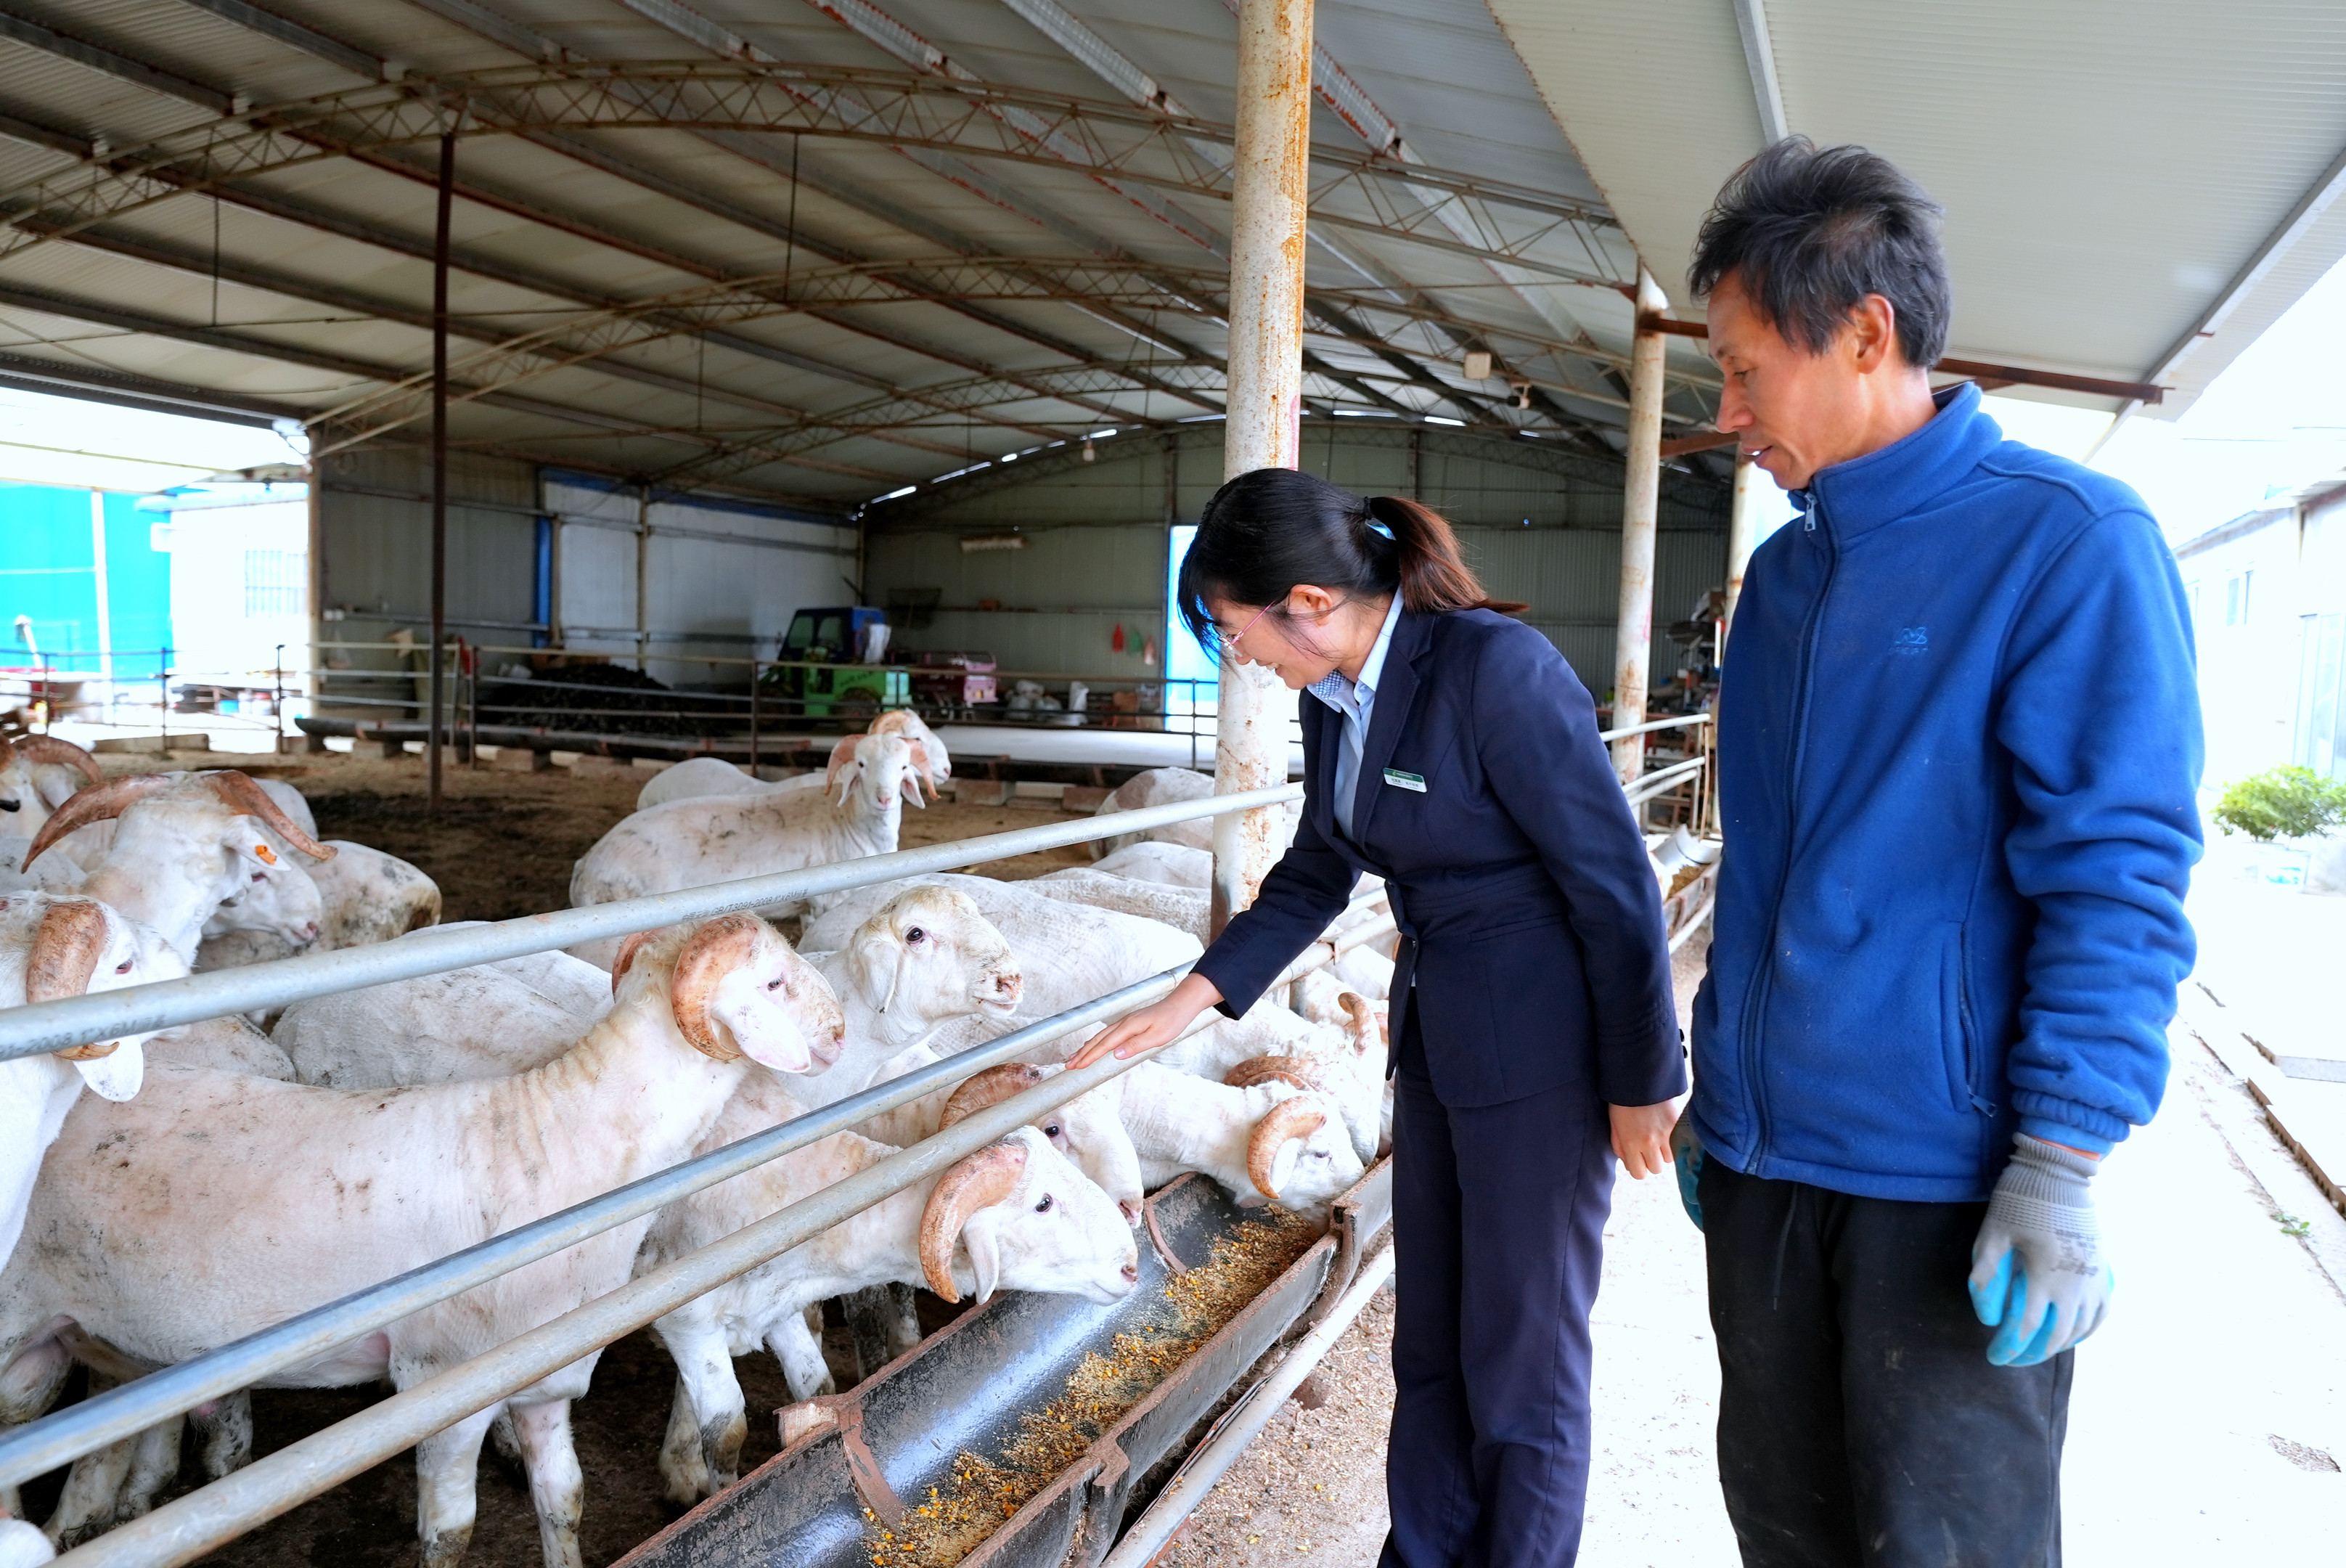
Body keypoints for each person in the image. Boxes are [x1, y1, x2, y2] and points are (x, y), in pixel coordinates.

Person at [1676, 138, 2203, 1566]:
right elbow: (1768, 864)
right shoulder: (1782, 578)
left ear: (1863, 334)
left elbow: (2118, 874)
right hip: (1766, 1174)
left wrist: (2058, 1161)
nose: (1725, 414)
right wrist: (1720, 1088)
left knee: (1943, 1549)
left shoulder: (2066, 545)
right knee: (1784, 1532)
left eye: (1742, 372)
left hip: (1942, 1183)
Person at [1070, 470, 1684, 1568]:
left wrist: (1645, 1075)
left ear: (1305, 600)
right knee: (1435, 1342)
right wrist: (1185, 1004)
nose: (1239, 654)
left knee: (1525, 1359)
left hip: (1542, 1058)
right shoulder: (1337, 694)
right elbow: (1317, 871)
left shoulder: (1495, 671)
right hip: (1441, 1046)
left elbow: (1614, 884)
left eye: (1232, 625)